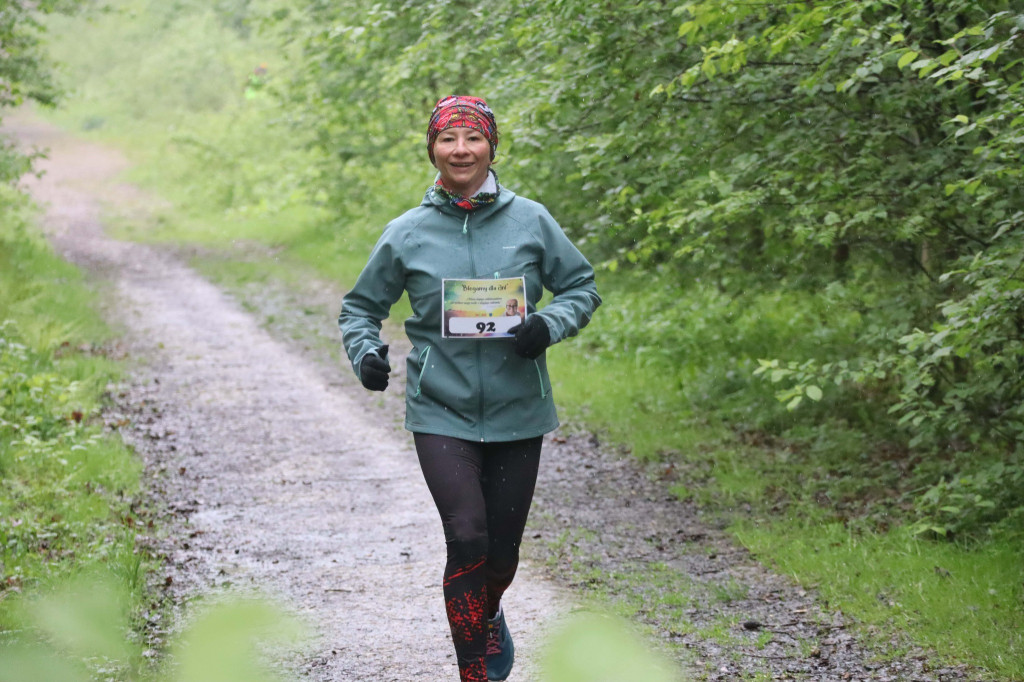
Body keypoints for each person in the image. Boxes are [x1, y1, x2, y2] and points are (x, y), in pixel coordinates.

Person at [338, 95, 600, 682]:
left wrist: (549, 324)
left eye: (473, 138)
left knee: (501, 554)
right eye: (448, 139)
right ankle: (474, 672)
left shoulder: (530, 220)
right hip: (441, 411)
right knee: (467, 534)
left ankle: (489, 608)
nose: (461, 150)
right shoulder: (407, 233)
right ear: (432, 149)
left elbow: (581, 287)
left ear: (491, 147)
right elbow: (360, 308)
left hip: (519, 410)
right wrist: (366, 353)